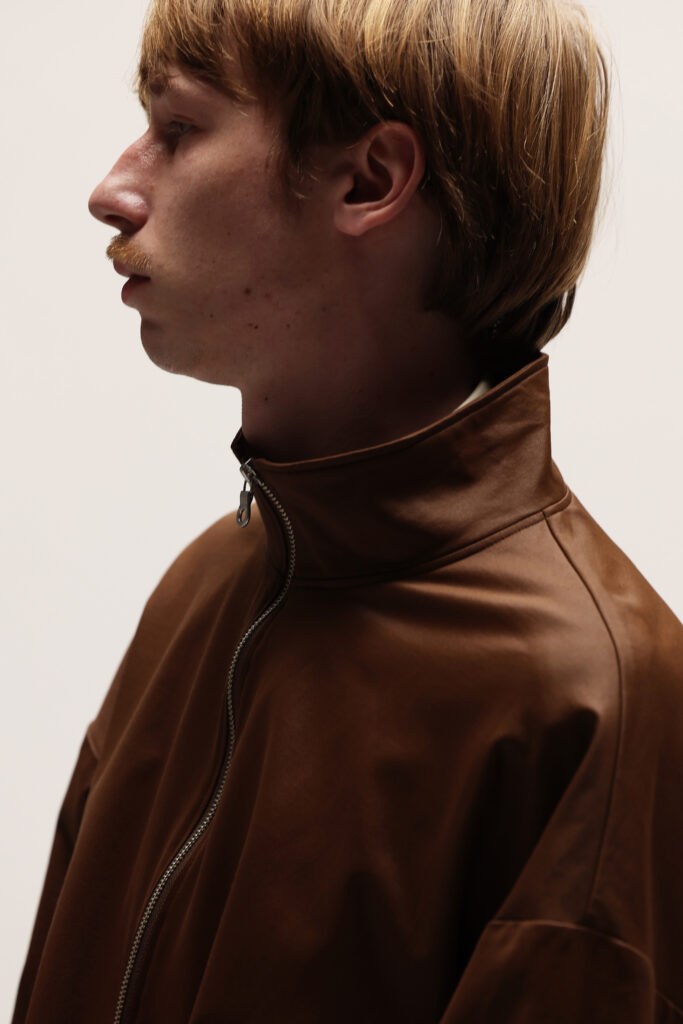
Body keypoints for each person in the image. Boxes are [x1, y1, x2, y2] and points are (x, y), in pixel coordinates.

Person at [12, 0, 683, 1020]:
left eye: (178, 129)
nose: (112, 191)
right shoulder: (207, 583)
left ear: (369, 180)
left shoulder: (592, 700)